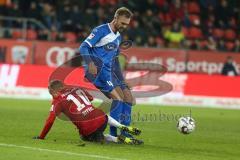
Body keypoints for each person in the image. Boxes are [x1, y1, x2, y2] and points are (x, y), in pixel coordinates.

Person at [79, 7, 135, 138]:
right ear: (115, 18)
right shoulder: (101, 30)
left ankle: (126, 133)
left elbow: (115, 61)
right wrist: (90, 62)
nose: (124, 26)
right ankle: (113, 134)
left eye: (126, 24)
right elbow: (83, 46)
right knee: (118, 98)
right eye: (122, 23)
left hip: (109, 73)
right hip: (97, 72)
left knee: (128, 98)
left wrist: (122, 80)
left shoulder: (118, 37)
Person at [33, 80, 142, 144]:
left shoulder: (57, 102)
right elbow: (90, 98)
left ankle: (120, 139)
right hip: (101, 118)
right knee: (100, 114)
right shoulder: (76, 89)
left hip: (88, 128)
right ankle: (121, 126)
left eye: (51, 93)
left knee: (86, 137)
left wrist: (41, 136)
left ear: (55, 91)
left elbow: (50, 121)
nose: (51, 96)